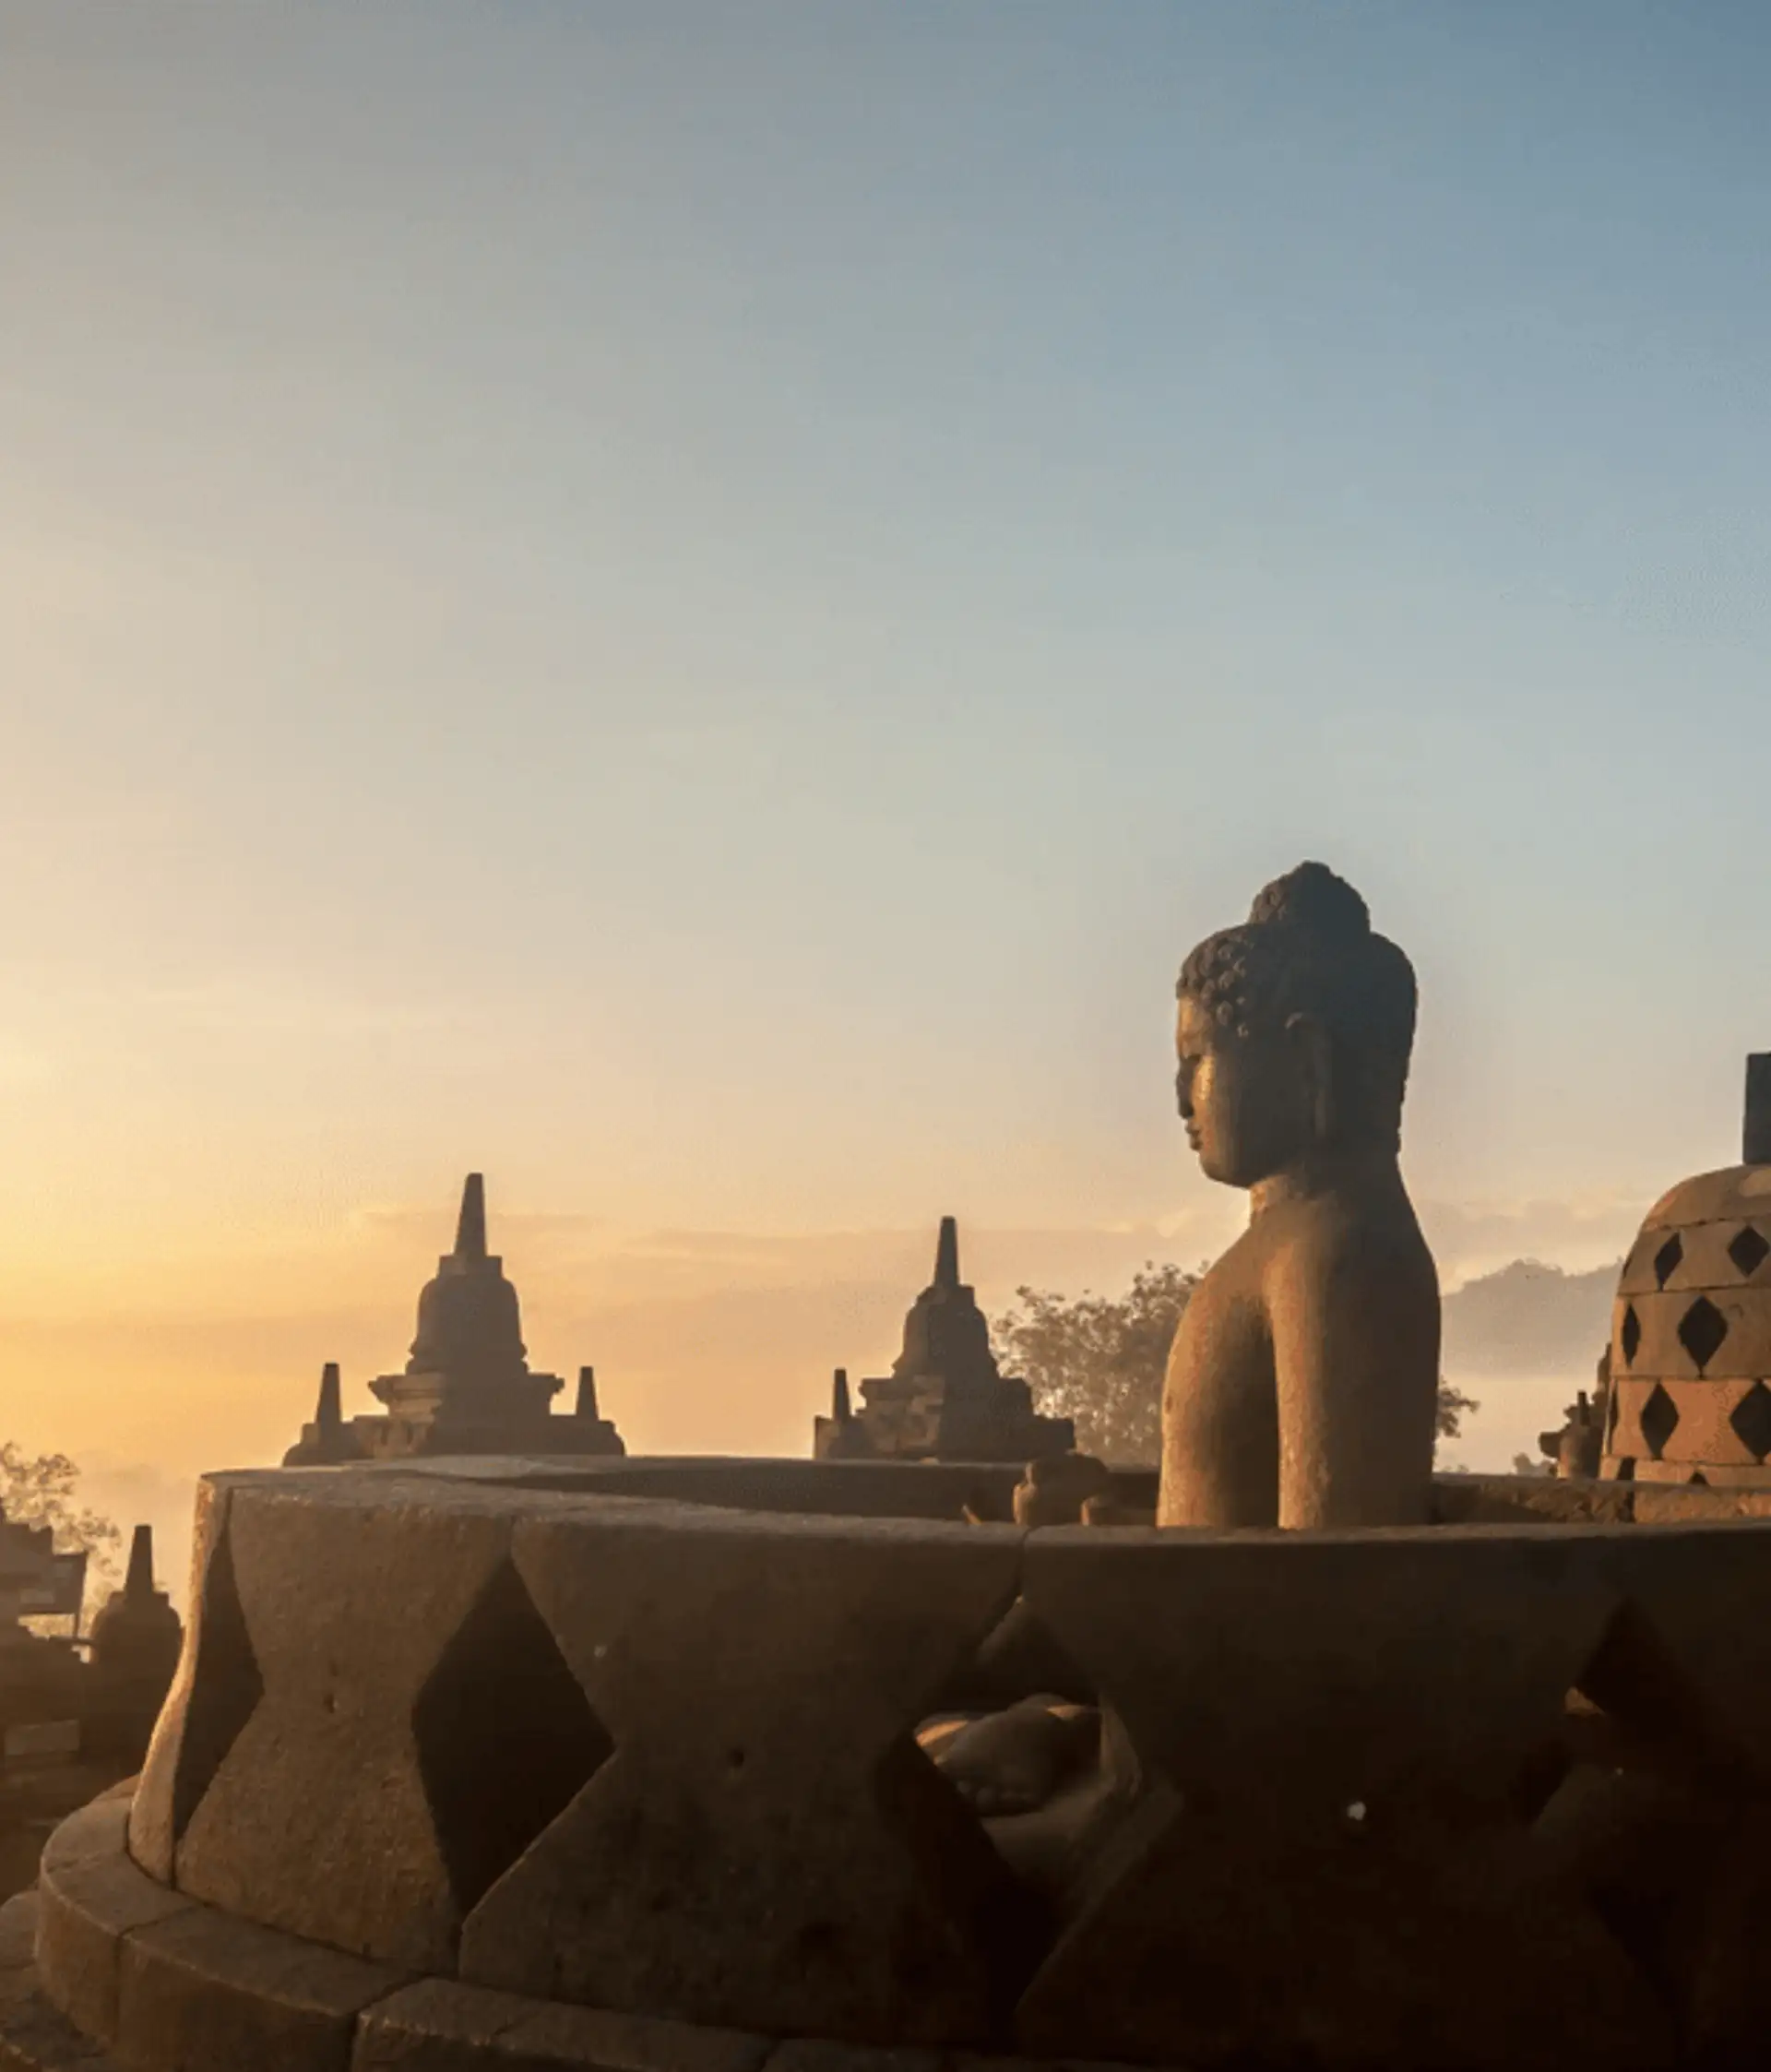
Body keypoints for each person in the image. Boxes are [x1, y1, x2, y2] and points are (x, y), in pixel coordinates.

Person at [930, 863, 1441, 1848]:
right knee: (910, 1748)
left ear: (1308, 1061)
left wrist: (1103, 1579)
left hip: (1219, 1803)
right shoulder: (1282, 1245)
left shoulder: (1342, 1254)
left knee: (869, 1830)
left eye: (1198, 1057)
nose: (1178, 1095)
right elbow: (1237, 1537)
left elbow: (1329, 1597)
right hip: (1158, 1741)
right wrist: (1108, 1539)